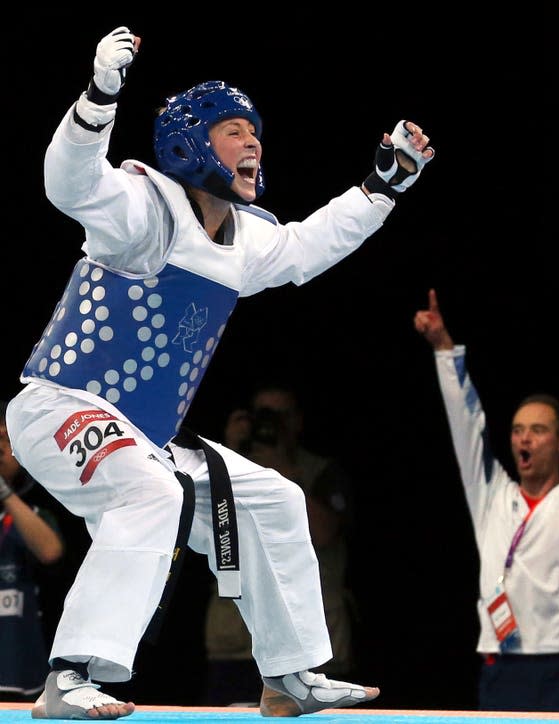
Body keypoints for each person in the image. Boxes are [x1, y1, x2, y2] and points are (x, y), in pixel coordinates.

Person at [5, 25, 435, 720]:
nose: (253, 143)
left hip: (141, 437)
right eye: (235, 130)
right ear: (190, 142)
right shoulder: (142, 208)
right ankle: (71, 674)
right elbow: (69, 183)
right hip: (59, 407)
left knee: (274, 501)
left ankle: (289, 677)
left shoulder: (245, 237)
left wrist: (380, 188)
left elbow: (306, 247)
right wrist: (98, 97)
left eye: (255, 131)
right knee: (148, 496)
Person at [413, 288, 559, 712]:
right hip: (501, 670)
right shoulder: (492, 498)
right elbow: (466, 423)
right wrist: (443, 348)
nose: (523, 438)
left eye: (537, 429)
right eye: (516, 430)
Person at [203, 383, 357, 705]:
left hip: (305, 641)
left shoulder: (320, 471)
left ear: (297, 420)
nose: (268, 423)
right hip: (234, 640)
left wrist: (282, 470)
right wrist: (226, 452)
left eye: (279, 415)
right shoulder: (225, 468)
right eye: (262, 415)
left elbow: (325, 532)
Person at [0, 401, 65, 702]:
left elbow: (50, 551)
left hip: (16, 661)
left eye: (4, 439)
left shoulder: (38, 512)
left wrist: (3, 493)